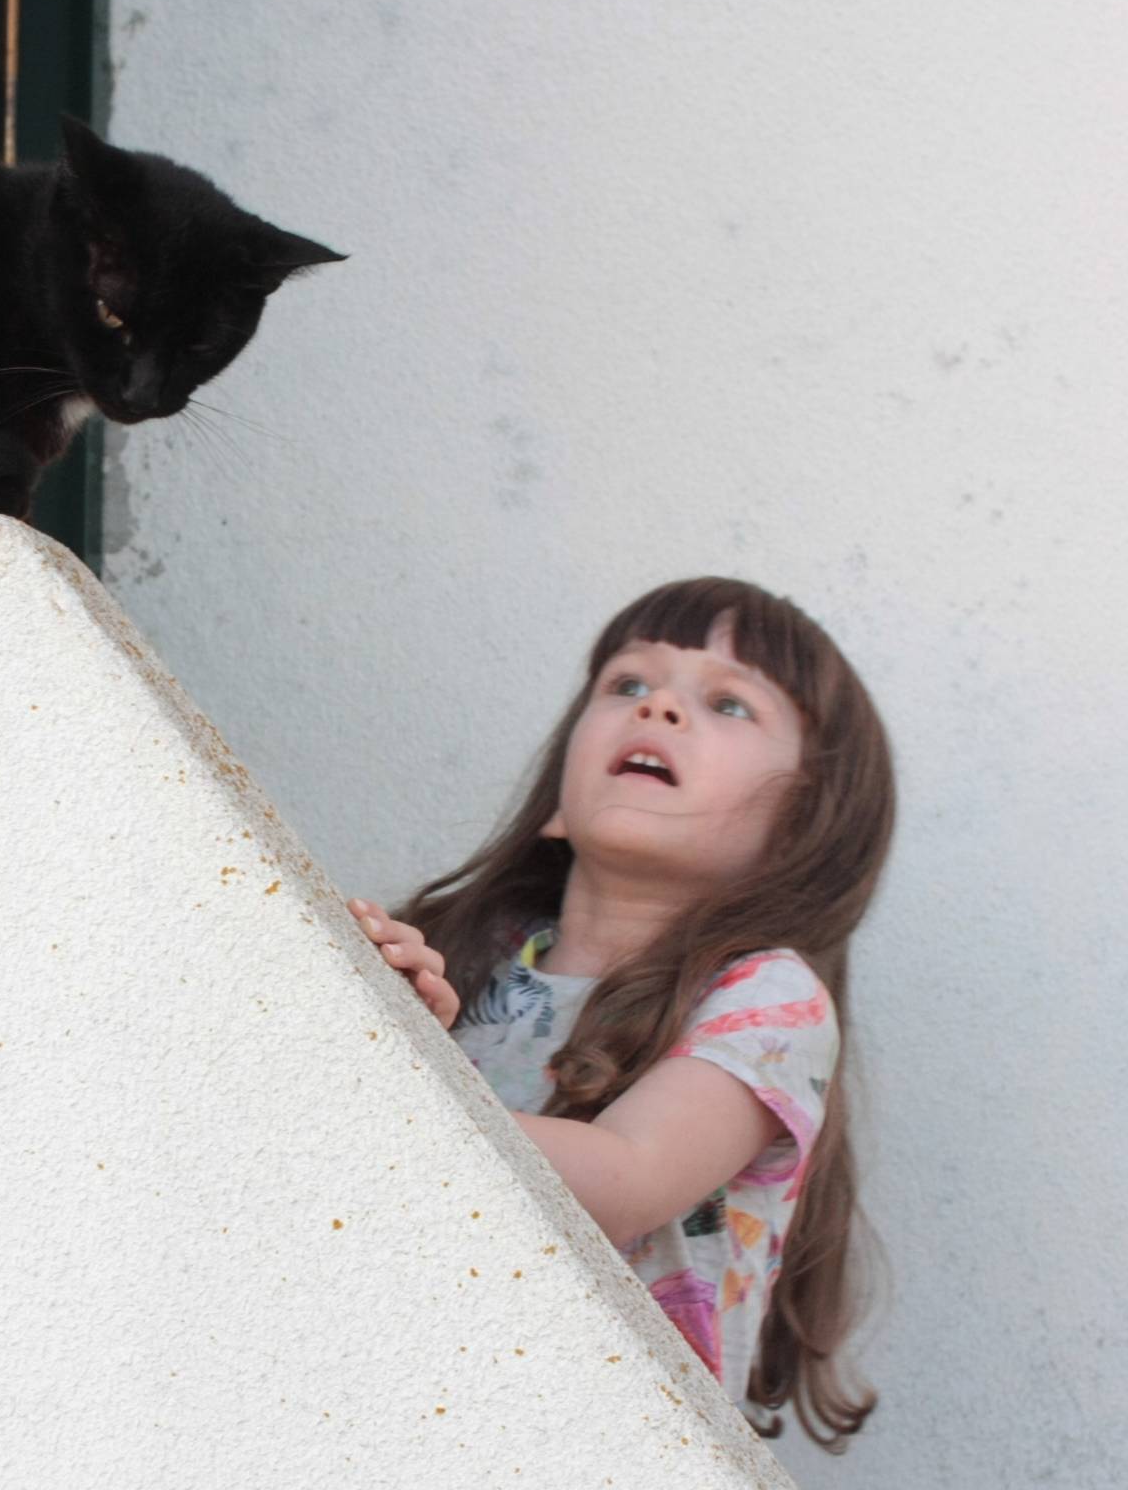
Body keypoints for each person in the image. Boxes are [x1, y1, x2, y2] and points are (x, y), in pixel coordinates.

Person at [346, 577, 894, 1450]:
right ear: (560, 801)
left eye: (727, 703)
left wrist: (375, 1079)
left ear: (801, 830)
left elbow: (629, 1178)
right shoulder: (466, 958)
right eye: (628, 685)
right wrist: (360, 1008)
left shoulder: (767, 998)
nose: (662, 709)